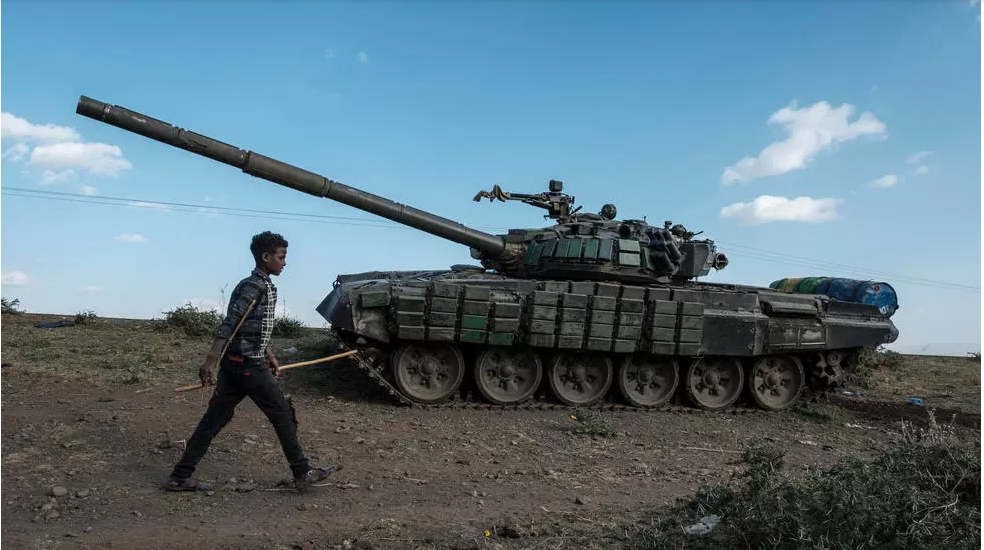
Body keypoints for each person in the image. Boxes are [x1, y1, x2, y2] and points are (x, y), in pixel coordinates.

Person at [163, 231, 339, 493]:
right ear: (266, 257)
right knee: (282, 413)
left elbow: (252, 326)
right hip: (247, 367)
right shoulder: (255, 286)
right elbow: (231, 323)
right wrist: (210, 361)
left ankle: (180, 476)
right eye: (281, 257)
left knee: (214, 419)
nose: (284, 262)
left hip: (238, 365)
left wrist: (268, 353)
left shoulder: (259, 284)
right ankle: (302, 471)